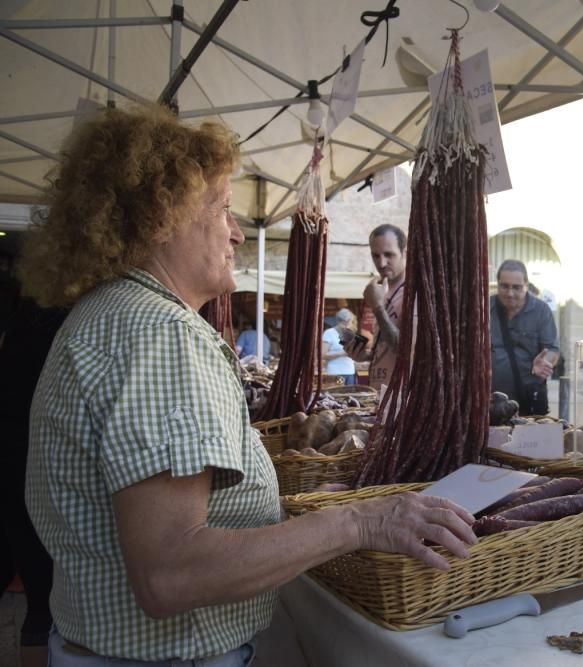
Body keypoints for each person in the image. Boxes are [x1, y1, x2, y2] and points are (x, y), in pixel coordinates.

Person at [19, 105, 476, 665]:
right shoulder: (161, 336)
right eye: (223, 209)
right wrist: (358, 521)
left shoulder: (109, 314)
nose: (236, 231)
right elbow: (172, 573)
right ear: (162, 216)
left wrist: (279, 517)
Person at [0, 295, 66, 667]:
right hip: (41, 462)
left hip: (12, 456)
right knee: (49, 603)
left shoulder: (23, 317)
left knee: (40, 603)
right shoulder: (74, 323)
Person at [490, 259, 559, 416]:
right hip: (492, 400)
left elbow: (553, 348)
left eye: (517, 287)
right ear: (498, 284)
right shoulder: (485, 308)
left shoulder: (541, 311)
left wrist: (545, 362)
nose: (510, 293)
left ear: (526, 285)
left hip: (529, 398)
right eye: (504, 286)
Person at [346, 224, 407, 391]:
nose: (382, 263)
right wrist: (365, 355)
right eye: (375, 255)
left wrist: (378, 307)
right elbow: (386, 347)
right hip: (379, 393)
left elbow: (405, 349)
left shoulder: (414, 293)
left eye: (389, 255)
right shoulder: (381, 291)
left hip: (402, 397)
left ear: (405, 252)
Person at [322, 308, 357, 385]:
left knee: (350, 395)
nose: (347, 326)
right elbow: (323, 355)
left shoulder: (351, 333)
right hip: (335, 372)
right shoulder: (329, 333)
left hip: (350, 371)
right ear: (338, 321)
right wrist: (342, 353)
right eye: (344, 323)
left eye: (349, 323)